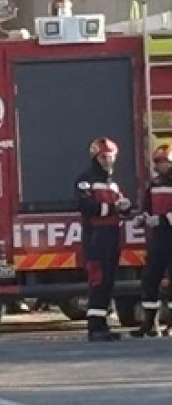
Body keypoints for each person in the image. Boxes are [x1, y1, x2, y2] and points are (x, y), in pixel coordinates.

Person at [75, 137, 134, 342]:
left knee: (108, 281)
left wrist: (126, 208)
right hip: (96, 237)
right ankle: (95, 328)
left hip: (112, 237)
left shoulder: (113, 184)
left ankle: (103, 325)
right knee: (98, 280)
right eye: (103, 157)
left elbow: (122, 208)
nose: (108, 160)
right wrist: (112, 209)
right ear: (95, 157)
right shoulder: (86, 179)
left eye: (111, 156)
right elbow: (85, 206)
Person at [134, 144, 172, 337]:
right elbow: (147, 206)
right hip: (158, 239)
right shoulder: (155, 184)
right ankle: (149, 323)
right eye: (158, 162)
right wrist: (142, 217)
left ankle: (170, 325)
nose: (161, 165)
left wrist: (163, 220)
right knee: (150, 279)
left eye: (164, 161)